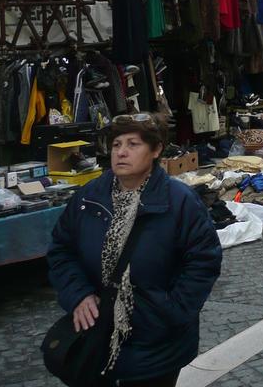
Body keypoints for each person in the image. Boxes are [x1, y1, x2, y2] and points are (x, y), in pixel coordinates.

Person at [47, 113, 222, 387]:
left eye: (133, 144)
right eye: (116, 145)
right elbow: (62, 250)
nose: (122, 153)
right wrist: (79, 295)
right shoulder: (89, 197)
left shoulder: (180, 202)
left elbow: (203, 260)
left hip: (156, 342)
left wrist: (171, 311)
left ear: (156, 150)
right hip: (98, 335)